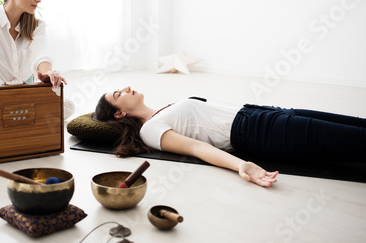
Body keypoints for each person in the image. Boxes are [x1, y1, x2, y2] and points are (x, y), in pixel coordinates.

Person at [93, 86, 366, 187]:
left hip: (267, 113)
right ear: (118, 114)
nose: (127, 88)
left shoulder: (164, 109)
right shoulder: (150, 130)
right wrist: (241, 165)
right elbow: (197, 148)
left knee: (359, 125)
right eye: (119, 94)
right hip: (262, 132)